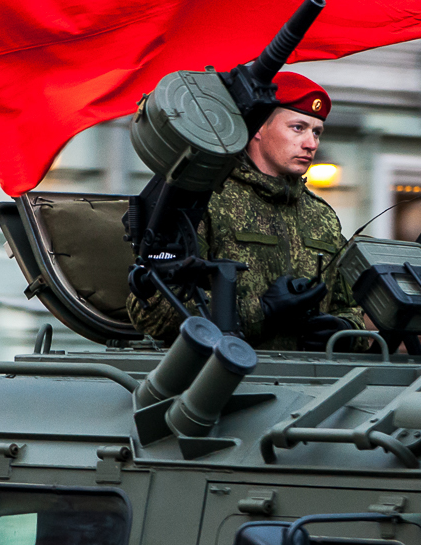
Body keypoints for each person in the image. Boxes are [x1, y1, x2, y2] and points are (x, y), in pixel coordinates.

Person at [126, 71, 366, 351]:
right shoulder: (206, 201)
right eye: (298, 128)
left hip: (313, 385)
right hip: (225, 382)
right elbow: (151, 309)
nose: (311, 143)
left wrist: (344, 331)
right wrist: (262, 311)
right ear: (258, 129)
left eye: (316, 132)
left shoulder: (321, 216)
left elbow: (350, 307)